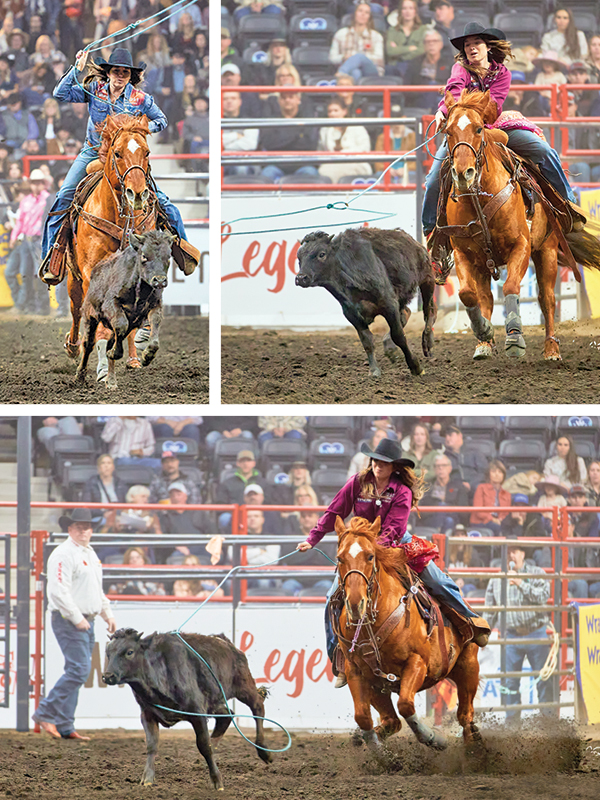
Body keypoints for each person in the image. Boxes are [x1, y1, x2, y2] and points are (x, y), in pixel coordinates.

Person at [297, 439, 490, 688]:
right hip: (360, 547)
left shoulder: (402, 491)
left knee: (437, 580)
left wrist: (374, 548)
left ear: (394, 467)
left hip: (396, 544)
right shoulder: (358, 482)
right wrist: (313, 539)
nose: (378, 465)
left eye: (384, 462)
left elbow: (395, 528)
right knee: (332, 597)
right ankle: (340, 658)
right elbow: (334, 511)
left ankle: (470, 620)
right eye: (375, 460)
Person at [421, 23, 584, 254]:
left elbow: (493, 108)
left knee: (545, 151)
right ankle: (432, 233)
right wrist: (443, 110)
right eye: (467, 45)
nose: (471, 48)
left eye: (476, 43)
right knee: (433, 179)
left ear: (488, 47)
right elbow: (454, 90)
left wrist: (463, 110)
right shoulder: (460, 69)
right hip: (464, 132)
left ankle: (568, 204)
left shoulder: (502, 74)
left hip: (492, 127)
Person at [39, 46, 195, 283]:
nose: (120, 75)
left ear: (131, 76)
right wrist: (76, 68)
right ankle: (53, 257)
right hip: (92, 153)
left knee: (163, 202)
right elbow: (60, 93)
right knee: (62, 198)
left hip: (127, 159)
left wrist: (140, 130)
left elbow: (162, 120)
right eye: (116, 71)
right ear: (109, 72)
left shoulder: (140, 98)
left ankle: (183, 250)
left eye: (125, 72)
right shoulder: (94, 90)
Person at [32, 508, 116, 739]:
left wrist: (106, 613)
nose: (84, 530)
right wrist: (77, 617)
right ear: (70, 529)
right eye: (79, 527)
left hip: (82, 620)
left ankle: (65, 725)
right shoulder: (63, 554)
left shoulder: (88, 554)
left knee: (77, 670)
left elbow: (95, 590)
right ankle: (46, 712)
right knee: (79, 670)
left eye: (87, 527)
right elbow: (58, 592)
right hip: (71, 620)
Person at [484, 541, 554, 723]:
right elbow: (490, 610)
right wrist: (483, 635)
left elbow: (543, 597)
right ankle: (512, 727)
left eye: (514, 551)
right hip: (511, 635)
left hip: (536, 632)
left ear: (523, 554)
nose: (511, 555)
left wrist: (521, 583)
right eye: (508, 551)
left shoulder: (537, 573)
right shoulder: (497, 579)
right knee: (509, 684)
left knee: (544, 680)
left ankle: (549, 723)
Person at [5, 168, 49, 314]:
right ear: (31, 184)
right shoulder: (26, 201)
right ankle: (26, 304)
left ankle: (41, 306)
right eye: (34, 183)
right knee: (25, 273)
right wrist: (13, 237)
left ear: (43, 184)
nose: (36, 186)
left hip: (39, 240)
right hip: (25, 240)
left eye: (39, 183)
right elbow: (20, 221)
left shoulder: (48, 199)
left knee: (37, 274)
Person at [317, 98, 372, 184]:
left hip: (355, 162)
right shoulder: (324, 130)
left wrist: (345, 153)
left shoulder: (356, 126)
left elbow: (365, 148)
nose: (332, 114)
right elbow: (321, 151)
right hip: (332, 163)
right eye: (330, 111)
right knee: (323, 171)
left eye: (336, 110)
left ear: (344, 111)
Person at [328, 2, 385, 82]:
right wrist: (344, 57)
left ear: (369, 17)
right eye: (360, 11)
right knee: (356, 72)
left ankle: (341, 73)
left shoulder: (376, 36)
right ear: (354, 14)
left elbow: (378, 59)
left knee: (359, 56)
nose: (363, 14)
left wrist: (357, 59)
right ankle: (356, 94)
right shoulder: (341, 34)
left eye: (366, 13)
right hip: (350, 71)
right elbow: (332, 58)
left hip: (371, 71)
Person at [385, 0, 426, 77]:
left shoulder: (422, 30)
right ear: (400, 11)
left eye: (411, 8)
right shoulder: (392, 30)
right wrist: (410, 48)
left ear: (415, 11)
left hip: (415, 65)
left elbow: (422, 50)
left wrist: (399, 51)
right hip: (395, 66)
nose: (408, 11)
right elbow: (390, 51)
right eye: (404, 8)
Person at [470, 459, 511, 533]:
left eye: (500, 472)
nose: (497, 474)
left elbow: (506, 513)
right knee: (498, 528)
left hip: (499, 522)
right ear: (488, 474)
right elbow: (478, 511)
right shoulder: (481, 488)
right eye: (493, 471)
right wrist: (492, 519)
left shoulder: (507, 494)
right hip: (481, 522)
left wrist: (500, 519)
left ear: (503, 475)